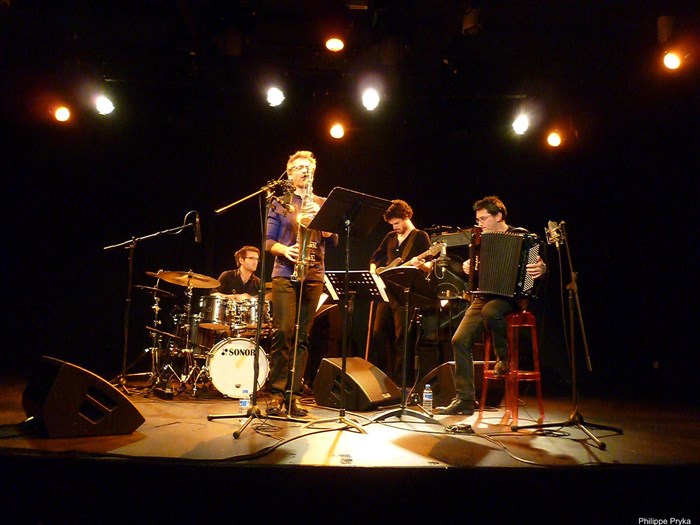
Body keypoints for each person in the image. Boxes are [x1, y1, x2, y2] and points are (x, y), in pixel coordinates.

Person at [436, 196, 547, 416]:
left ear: (499, 216)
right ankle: (465, 399)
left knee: (491, 311)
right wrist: (469, 267)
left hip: (512, 298)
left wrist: (542, 269)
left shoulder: (523, 237)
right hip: (485, 295)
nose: (480, 224)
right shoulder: (480, 240)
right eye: (478, 220)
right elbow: (477, 272)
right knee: (459, 340)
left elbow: (538, 266)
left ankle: (503, 358)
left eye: (484, 219)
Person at [265, 150, 338, 417]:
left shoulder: (322, 202)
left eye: (308, 167)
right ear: (289, 173)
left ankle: (293, 396)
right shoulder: (279, 202)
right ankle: (276, 394)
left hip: (313, 273)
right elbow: (268, 241)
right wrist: (285, 250)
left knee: (302, 337)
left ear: (313, 172)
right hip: (285, 272)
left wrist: (322, 217)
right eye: (299, 167)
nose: (304, 170)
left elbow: (333, 239)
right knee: (283, 332)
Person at [368, 199, 432, 383]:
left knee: (402, 337)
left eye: (396, 223)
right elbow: (376, 256)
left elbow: (430, 265)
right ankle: (379, 379)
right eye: (392, 224)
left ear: (406, 217)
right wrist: (373, 270)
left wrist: (422, 266)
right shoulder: (390, 237)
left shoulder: (420, 236)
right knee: (378, 333)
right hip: (387, 291)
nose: (394, 227)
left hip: (405, 293)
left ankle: (401, 381)